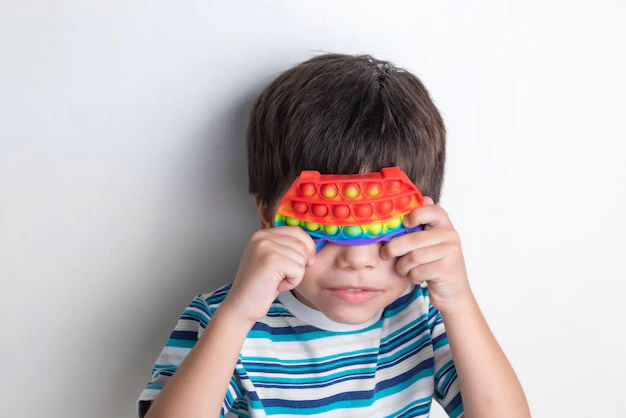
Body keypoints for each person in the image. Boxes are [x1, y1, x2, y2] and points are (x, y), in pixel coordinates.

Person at [136, 53, 531, 417]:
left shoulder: (423, 313)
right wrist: (238, 314)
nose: (357, 259)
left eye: (384, 227)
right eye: (322, 226)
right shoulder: (221, 319)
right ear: (266, 216)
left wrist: (458, 299)